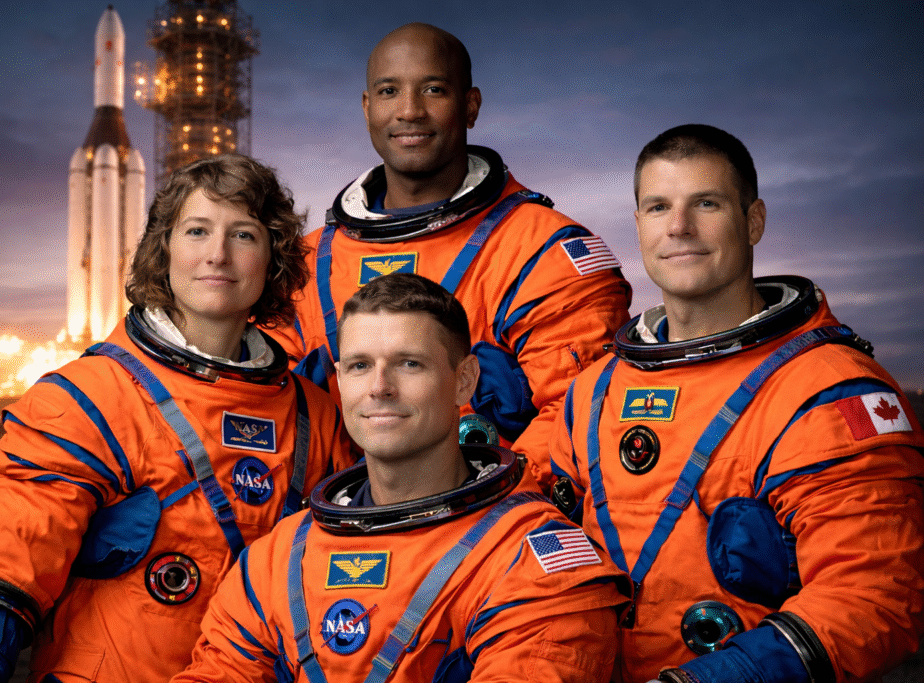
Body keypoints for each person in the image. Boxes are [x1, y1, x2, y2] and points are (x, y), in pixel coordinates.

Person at [0, 155, 354, 683]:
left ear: (274, 259)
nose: (217, 255)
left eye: (243, 235)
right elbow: (5, 564)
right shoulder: (89, 398)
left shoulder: (317, 417)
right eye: (196, 231)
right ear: (165, 248)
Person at [549, 124, 924, 683]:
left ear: (754, 221)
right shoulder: (594, 392)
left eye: (706, 203)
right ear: (638, 226)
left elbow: (874, 597)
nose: (679, 228)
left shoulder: (828, 390)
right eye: (658, 207)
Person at [173, 273, 630, 682]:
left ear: (465, 380)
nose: (379, 386)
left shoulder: (537, 561)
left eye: (410, 363)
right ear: (339, 380)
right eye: (359, 365)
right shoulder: (276, 560)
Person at [268, 22, 631, 490]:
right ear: (367, 107)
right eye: (388, 91)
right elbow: (262, 412)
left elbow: (577, 414)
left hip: (485, 531)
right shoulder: (309, 261)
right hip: (336, 531)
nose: (409, 111)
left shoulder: (544, 250)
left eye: (433, 89)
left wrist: (466, 514)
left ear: (470, 105)